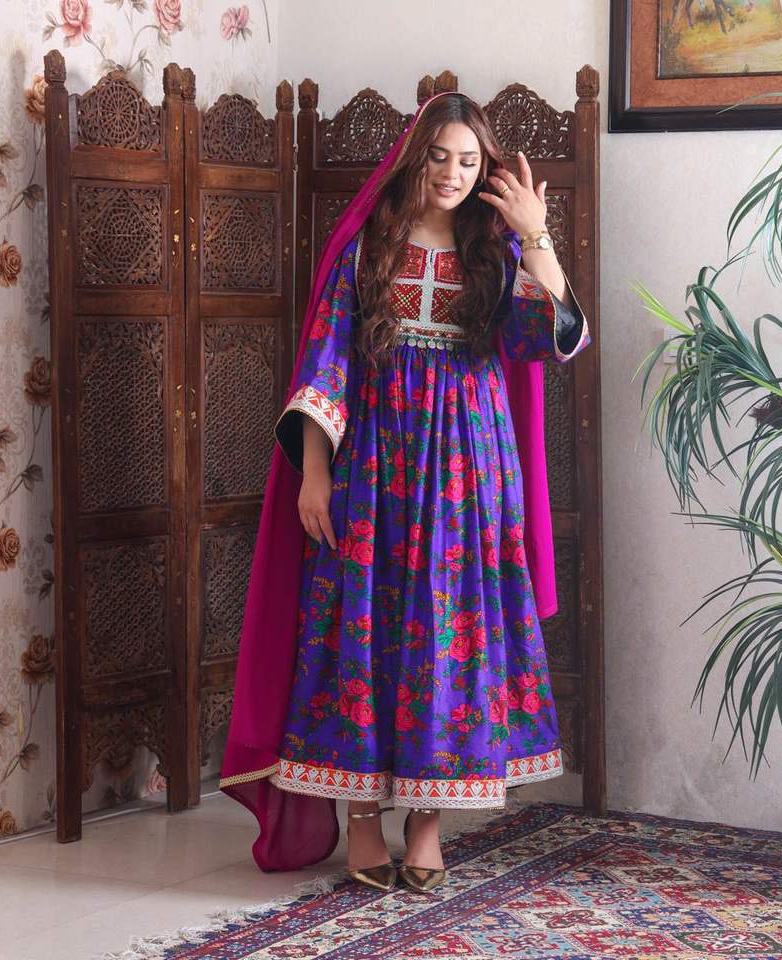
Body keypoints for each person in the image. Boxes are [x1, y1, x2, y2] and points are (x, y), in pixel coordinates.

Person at [219, 91, 591, 895]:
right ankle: (362, 819)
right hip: (373, 469)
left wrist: (536, 235)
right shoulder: (367, 248)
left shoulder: (496, 255)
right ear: (414, 157)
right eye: (440, 157)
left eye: (469, 161)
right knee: (360, 632)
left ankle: (425, 825)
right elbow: (326, 363)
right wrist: (315, 473)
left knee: (447, 639)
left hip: (467, 478)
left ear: (485, 170)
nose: (453, 173)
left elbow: (557, 336)